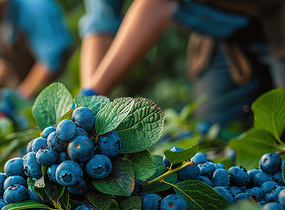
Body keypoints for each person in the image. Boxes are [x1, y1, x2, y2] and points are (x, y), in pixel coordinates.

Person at [80, 0, 285, 127]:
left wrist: (93, 92)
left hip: (277, 19)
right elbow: (100, 26)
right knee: (217, 141)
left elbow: (158, 3)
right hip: (221, 30)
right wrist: (85, 111)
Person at [0, 0, 74, 100]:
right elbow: (0, 64)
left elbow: (50, 63)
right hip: (33, 90)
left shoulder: (36, 10)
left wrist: (19, 97)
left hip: (64, 85)